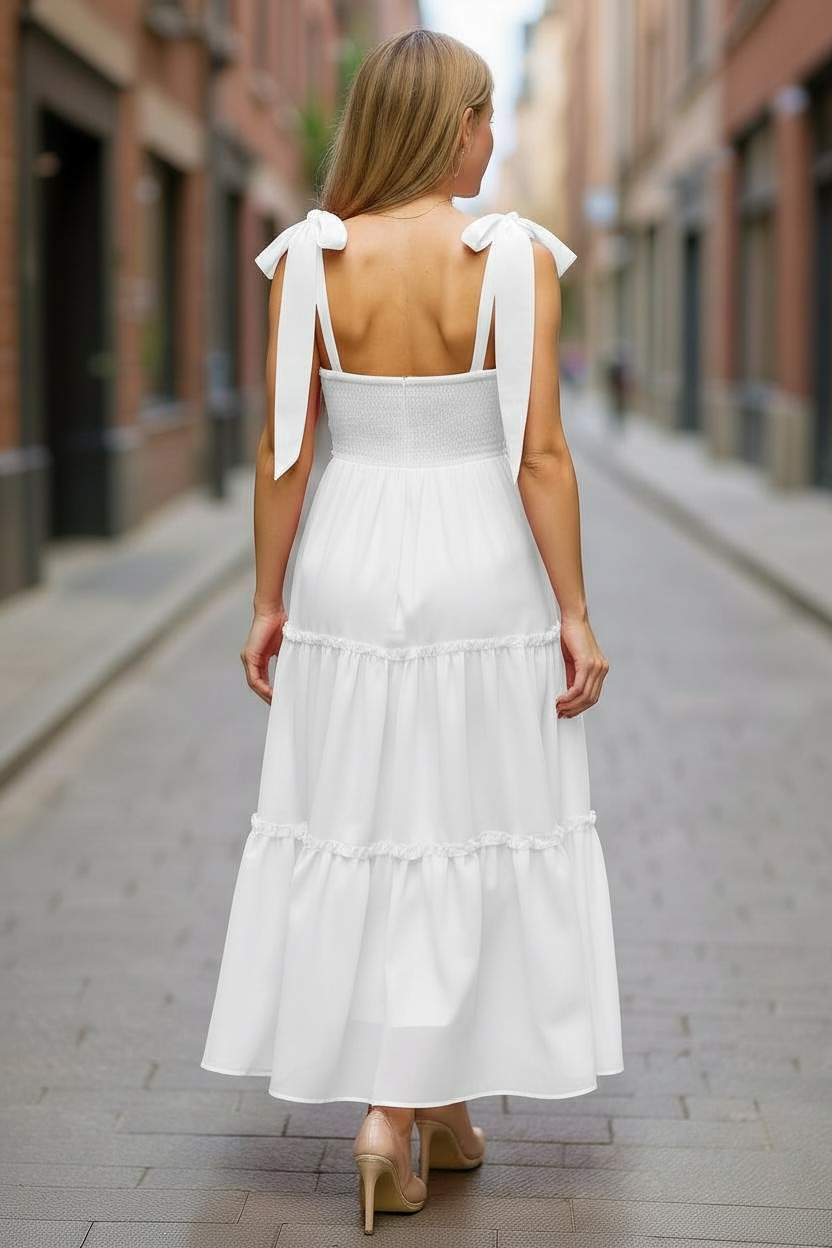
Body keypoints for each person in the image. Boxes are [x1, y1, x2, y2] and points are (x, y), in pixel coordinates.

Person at [201, 29, 623, 1235]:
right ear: (449, 127)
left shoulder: (307, 261)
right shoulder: (516, 261)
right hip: (478, 556)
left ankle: (429, 1110)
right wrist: (576, 612)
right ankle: (400, 1107)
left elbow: (286, 451)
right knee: (467, 825)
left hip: (349, 550)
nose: (491, 138)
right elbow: (539, 453)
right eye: (481, 118)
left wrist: (266, 599)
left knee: (373, 822)